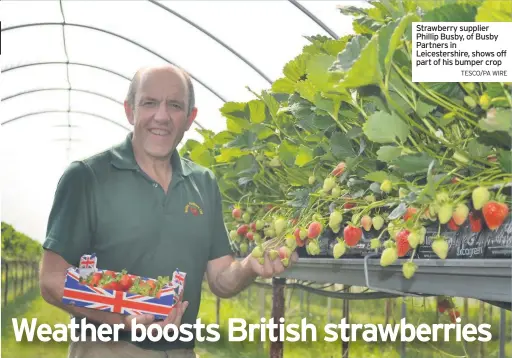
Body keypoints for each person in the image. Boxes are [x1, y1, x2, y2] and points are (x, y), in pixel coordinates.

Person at [39, 64, 299, 358]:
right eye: (149, 103)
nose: (161, 116)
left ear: (190, 118)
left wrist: (250, 266)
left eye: (174, 105)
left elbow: (221, 278)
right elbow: (52, 279)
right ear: (129, 111)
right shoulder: (88, 177)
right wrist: (124, 321)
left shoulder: (203, 183)